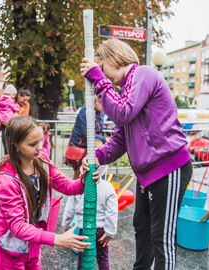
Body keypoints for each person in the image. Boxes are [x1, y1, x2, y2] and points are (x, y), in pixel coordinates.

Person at [80, 38, 192, 270]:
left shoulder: (144, 73)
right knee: (142, 229)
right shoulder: (128, 88)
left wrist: (99, 80)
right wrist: (97, 157)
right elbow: (121, 138)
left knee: (162, 238)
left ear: (113, 58)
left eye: (102, 69)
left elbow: (122, 113)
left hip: (168, 167)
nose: (102, 76)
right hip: (148, 174)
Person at [0, 115, 99, 270]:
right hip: (10, 246)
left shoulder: (42, 163)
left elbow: (67, 186)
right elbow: (17, 227)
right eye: (33, 144)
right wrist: (57, 239)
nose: (39, 147)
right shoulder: (6, 180)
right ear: (16, 145)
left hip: (33, 240)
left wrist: (84, 181)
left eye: (40, 141)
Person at [62, 139, 116, 270]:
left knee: (83, 257)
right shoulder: (108, 187)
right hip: (102, 230)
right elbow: (112, 212)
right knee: (103, 258)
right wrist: (110, 232)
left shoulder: (78, 187)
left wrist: (66, 226)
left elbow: (69, 210)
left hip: (83, 229)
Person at [67, 97, 106, 179]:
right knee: (79, 175)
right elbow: (86, 132)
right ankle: (75, 191)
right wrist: (104, 139)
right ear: (96, 102)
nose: (106, 107)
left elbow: (98, 130)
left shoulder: (100, 113)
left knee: (89, 174)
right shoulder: (85, 111)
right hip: (79, 146)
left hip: (91, 146)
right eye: (104, 104)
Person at [0, 84, 19, 153]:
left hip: (1, 118)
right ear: (10, 94)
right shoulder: (10, 101)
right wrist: (17, 107)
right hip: (8, 119)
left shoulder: (0, 99)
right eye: (13, 95)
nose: (14, 97)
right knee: (8, 140)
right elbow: (15, 109)